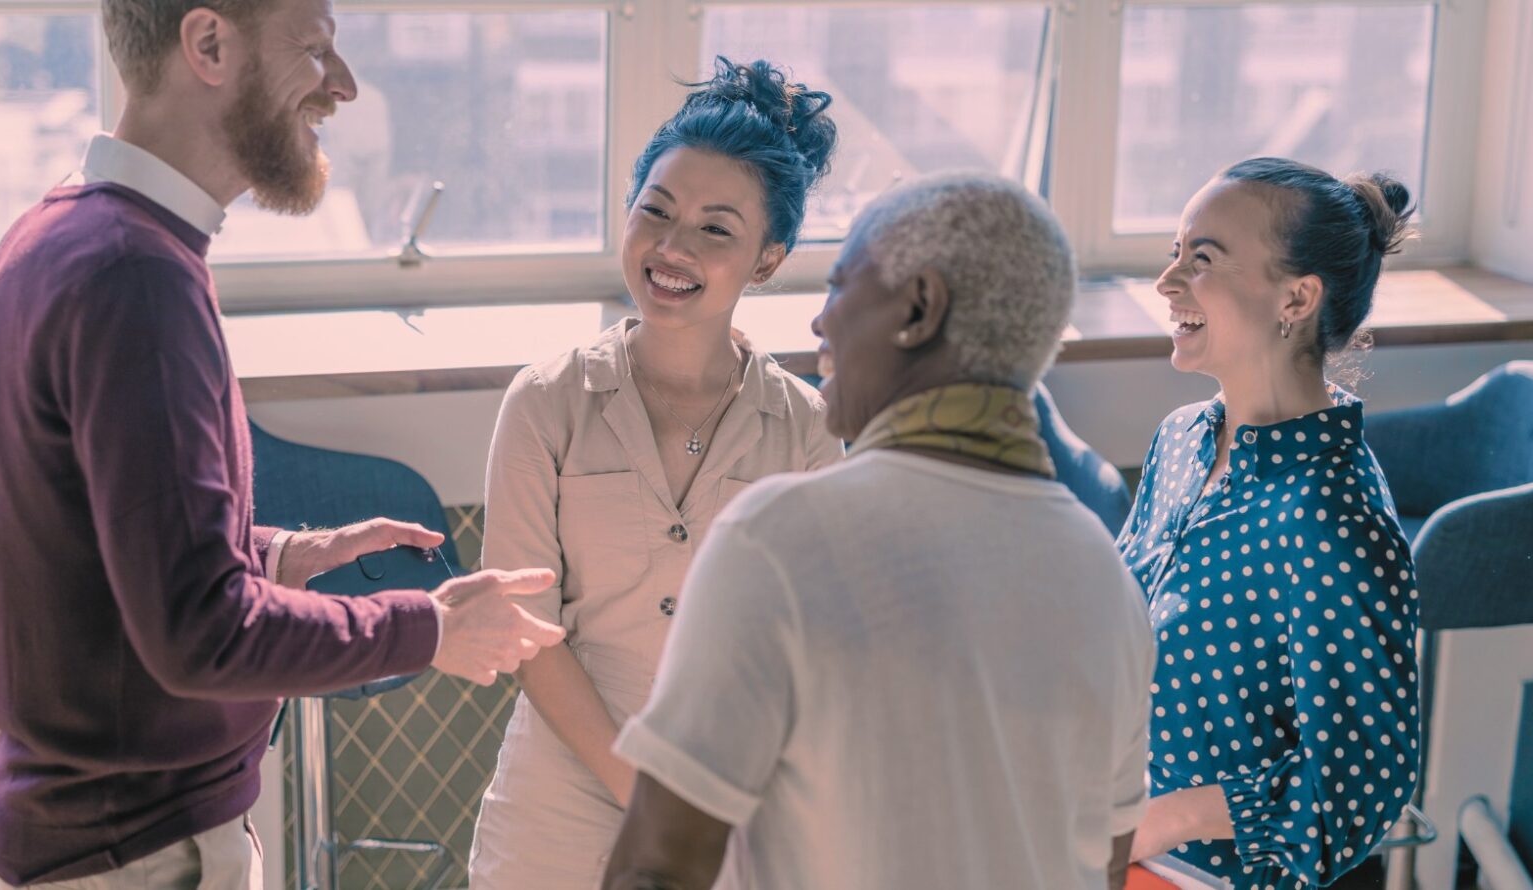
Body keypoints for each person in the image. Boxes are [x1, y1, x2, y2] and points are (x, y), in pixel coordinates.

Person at [0, 1, 563, 886]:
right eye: (315, 48)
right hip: (138, 854)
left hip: (87, 836)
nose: (343, 86)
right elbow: (200, 634)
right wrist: (430, 628)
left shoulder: (63, 235)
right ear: (208, 45)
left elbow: (109, 555)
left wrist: (279, 555)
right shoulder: (136, 279)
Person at [602, 172, 1155, 890]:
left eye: (840, 285)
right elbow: (1101, 870)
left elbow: (655, 870)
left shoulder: (781, 540)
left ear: (918, 308)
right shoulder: (1107, 580)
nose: (820, 322)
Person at [466, 58, 844, 888]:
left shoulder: (810, 433)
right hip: (552, 817)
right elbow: (529, 636)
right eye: (656, 212)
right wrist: (649, 799)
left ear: (768, 260)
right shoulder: (544, 402)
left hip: (736, 812)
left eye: (717, 229)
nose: (672, 248)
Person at [1114, 157, 1422, 889]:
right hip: (1114, 837)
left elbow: (1361, 783)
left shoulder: (1331, 515)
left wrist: (1168, 818)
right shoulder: (1183, 438)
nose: (1168, 282)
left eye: (1203, 259)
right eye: (1174, 254)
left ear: (1297, 297)